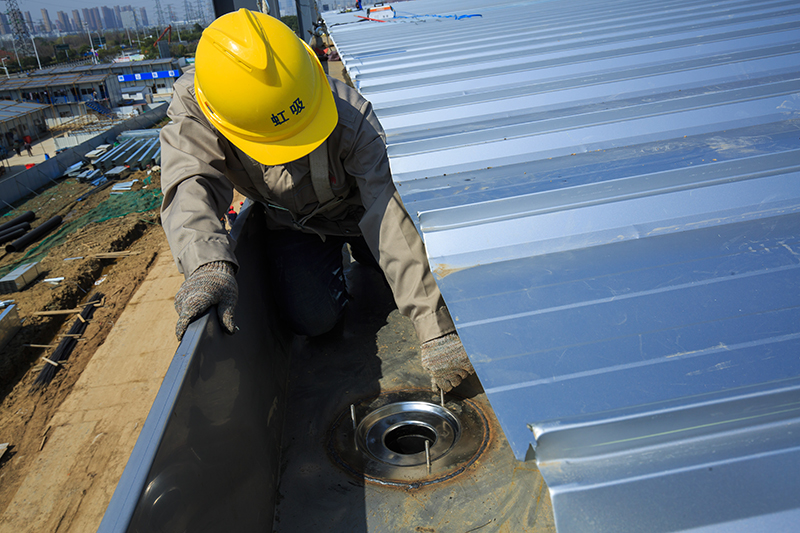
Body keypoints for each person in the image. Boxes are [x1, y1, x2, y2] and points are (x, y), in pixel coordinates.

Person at [160, 9, 474, 393]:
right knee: (314, 320)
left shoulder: (351, 116)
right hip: (295, 224)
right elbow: (190, 179)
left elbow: (386, 212)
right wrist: (206, 262)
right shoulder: (203, 101)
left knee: (398, 269)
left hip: (360, 215)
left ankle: (365, 256)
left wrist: (435, 329)